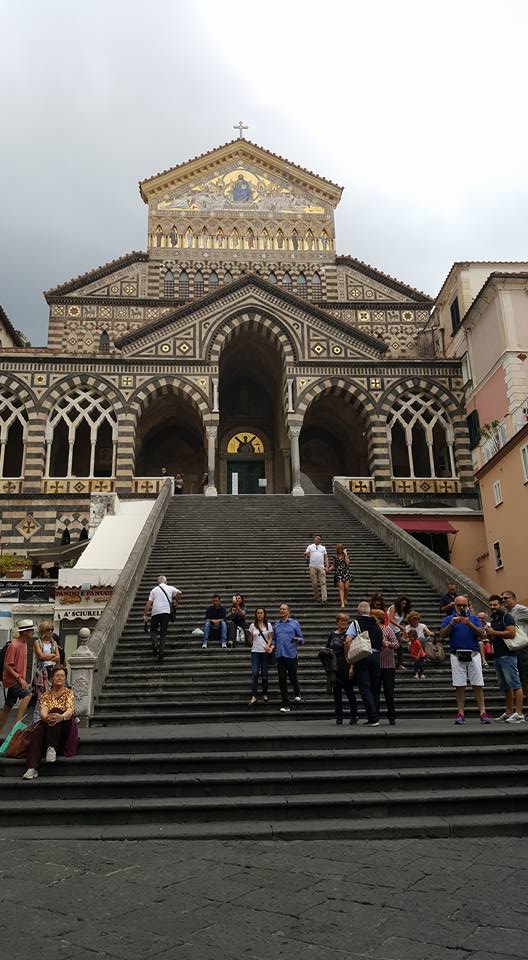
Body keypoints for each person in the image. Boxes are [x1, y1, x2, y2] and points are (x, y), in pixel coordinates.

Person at [440, 594, 491, 724]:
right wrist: (451, 624)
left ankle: (483, 712)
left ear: (468, 605)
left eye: (464, 605)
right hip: (456, 655)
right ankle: (460, 713)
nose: (462, 607)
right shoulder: (449, 618)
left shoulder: (473, 618)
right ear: (454, 605)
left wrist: (469, 623)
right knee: (459, 685)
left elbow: (481, 634)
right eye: (459, 605)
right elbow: (442, 635)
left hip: (474, 654)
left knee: (478, 684)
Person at [22, 665, 76, 780]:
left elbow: (70, 710)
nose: (60, 678)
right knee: (37, 731)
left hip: (64, 726)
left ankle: (51, 747)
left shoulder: (69, 693)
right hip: (49, 726)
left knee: (56, 710)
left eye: (62, 676)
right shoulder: (46, 695)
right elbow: (43, 711)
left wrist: (60, 717)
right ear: (51, 679)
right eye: (57, 676)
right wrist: (46, 718)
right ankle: (32, 768)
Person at [485, 595, 525, 723]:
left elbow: (511, 633)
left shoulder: (506, 616)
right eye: (491, 605)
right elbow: (496, 636)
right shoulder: (494, 618)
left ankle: (519, 713)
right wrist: (490, 634)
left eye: (495, 605)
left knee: (515, 685)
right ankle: (508, 712)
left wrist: (494, 632)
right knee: (505, 687)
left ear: (501, 605)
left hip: (508, 655)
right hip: (498, 655)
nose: (492, 607)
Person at [346, 601, 384, 726]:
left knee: (365, 688)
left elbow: (347, 641)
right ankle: (374, 715)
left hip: (363, 656)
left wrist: (348, 656)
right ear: (369, 611)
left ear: (359, 611)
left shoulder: (356, 623)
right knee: (375, 688)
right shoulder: (376, 624)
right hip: (376, 657)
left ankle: (373, 717)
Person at [0, 620, 33, 734]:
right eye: (30, 630)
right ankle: (17, 726)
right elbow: (7, 665)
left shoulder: (25, 644)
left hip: (18, 679)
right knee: (28, 696)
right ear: (24, 632)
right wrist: (19, 678)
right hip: (12, 679)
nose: (32, 632)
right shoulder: (14, 645)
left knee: (7, 707)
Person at [326, 612, 358, 724]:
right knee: (337, 694)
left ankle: (354, 715)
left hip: (346, 664)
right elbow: (327, 648)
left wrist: (352, 668)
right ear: (337, 622)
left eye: (346, 621)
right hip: (335, 667)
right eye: (342, 621)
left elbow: (354, 652)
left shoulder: (349, 635)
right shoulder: (332, 634)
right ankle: (339, 716)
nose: (344, 623)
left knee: (349, 692)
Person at [272, 603, 304, 713]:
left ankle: (297, 691)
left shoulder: (294, 623)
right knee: (282, 679)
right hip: (280, 655)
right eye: (280, 609)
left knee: (292, 676)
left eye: (284, 609)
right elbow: (274, 639)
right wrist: (272, 646)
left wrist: (298, 640)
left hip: (291, 654)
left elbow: (302, 639)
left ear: (288, 611)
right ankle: (286, 704)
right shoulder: (276, 624)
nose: (281, 611)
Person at [143, 575, 182, 661]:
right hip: (166, 613)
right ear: (166, 581)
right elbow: (180, 593)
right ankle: (161, 652)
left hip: (155, 612)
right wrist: (176, 602)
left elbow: (149, 603)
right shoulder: (170, 588)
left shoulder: (154, 590)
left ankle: (155, 643)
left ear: (158, 582)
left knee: (153, 630)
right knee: (163, 633)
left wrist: (145, 614)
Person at [372, 608, 398, 725]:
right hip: (375, 665)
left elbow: (396, 644)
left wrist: (388, 644)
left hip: (388, 665)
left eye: (374, 617)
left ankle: (391, 715)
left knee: (389, 692)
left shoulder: (387, 630)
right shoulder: (371, 630)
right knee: (374, 692)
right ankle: (375, 715)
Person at [501, 591, 528, 696]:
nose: (503, 600)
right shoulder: (507, 613)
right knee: (520, 676)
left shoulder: (519, 609)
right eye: (502, 598)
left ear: (513, 599)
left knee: (525, 675)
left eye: (506, 598)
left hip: (523, 647)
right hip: (514, 648)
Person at [33, 620, 60, 720]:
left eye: (52, 629)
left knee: (54, 694)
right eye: (48, 629)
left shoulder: (54, 642)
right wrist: (52, 655)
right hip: (42, 672)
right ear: (43, 630)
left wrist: (47, 656)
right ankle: (36, 719)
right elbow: (40, 656)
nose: (50, 631)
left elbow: (58, 658)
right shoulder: (37, 642)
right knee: (42, 696)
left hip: (52, 671)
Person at [247, 606, 273, 705]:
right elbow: (250, 641)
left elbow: (270, 637)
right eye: (258, 613)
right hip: (255, 651)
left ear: (264, 614)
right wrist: (249, 635)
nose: (259, 615)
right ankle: (254, 696)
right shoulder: (252, 625)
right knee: (255, 673)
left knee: (265, 675)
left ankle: (265, 693)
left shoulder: (268, 625)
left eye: (261, 613)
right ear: (256, 614)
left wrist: (268, 645)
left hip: (265, 652)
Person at [387, 595, 412, 671]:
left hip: (396, 629)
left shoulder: (403, 612)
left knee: (399, 646)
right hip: (387, 628)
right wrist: (401, 627)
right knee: (388, 646)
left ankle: (400, 664)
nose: (403, 605)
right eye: (402, 603)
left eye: (405, 604)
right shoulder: (393, 607)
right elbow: (390, 619)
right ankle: (388, 663)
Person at [304, 534, 329, 604]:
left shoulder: (323, 548)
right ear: (314, 539)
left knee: (323, 583)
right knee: (314, 583)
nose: (317, 539)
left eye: (319, 539)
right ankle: (317, 598)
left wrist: (327, 566)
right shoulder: (310, 546)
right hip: (312, 566)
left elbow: (326, 557)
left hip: (321, 567)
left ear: (320, 540)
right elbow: (306, 553)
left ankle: (324, 599)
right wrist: (306, 554)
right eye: (316, 538)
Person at [330, 544, 352, 609]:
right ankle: (342, 602)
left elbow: (348, 563)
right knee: (341, 588)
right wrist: (328, 569)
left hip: (346, 572)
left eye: (340, 548)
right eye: (338, 549)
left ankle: (345, 598)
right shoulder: (335, 556)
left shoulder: (345, 555)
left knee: (346, 588)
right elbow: (334, 565)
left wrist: (345, 554)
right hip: (339, 573)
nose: (339, 550)